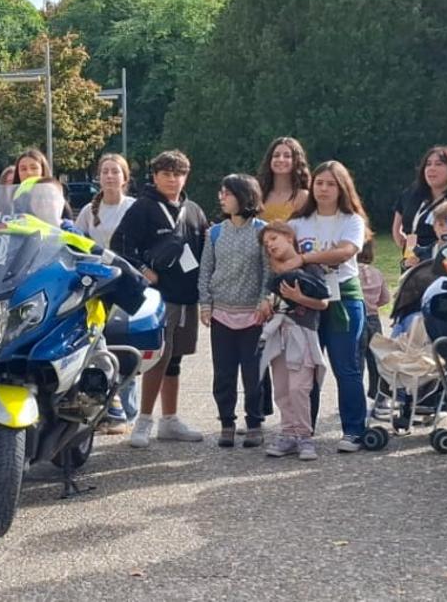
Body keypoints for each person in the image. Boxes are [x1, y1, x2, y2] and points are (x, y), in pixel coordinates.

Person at [111, 150, 208, 448]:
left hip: (186, 295)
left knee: (175, 358)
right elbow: (119, 246)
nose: (172, 179)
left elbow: (205, 251)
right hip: (156, 298)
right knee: (156, 359)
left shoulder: (193, 210)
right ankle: (143, 420)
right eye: (166, 173)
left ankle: (170, 420)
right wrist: (142, 270)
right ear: (154, 177)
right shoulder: (143, 208)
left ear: (186, 176)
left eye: (178, 173)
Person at [286, 161, 370, 453]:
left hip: (344, 298)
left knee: (346, 367)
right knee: (306, 368)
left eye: (331, 184)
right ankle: (302, 429)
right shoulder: (298, 222)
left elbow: (346, 251)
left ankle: (354, 430)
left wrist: (305, 259)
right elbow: (279, 247)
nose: (323, 189)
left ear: (342, 188)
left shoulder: (352, 220)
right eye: (319, 183)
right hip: (306, 300)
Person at [198, 174, 270, 448]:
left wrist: (265, 300)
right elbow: (206, 271)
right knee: (224, 373)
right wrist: (206, 304)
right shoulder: (214, 232)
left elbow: (268, 271)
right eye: (221, 192)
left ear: (244, 196)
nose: (221, 197)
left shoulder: (262, 231)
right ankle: (226, 422)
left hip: (253, 315)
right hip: (221, 315)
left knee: (254, 375)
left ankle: (255, 423)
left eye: (227, 193)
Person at [75, 154, 138, 435]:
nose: (110, 176)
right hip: (96, 286)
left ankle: (128, 409)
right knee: (96, 343)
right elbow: (76, 243)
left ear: (125, 177)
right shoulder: (89, 211)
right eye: (105, 172)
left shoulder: (134, 208)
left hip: (124, 281)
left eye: (115, 171)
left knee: (124, 343)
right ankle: (102, 408)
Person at [257, 222, 329, 461]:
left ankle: (304, 436)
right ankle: (288, 433)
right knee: (282, 388)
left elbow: (323, 302)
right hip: (280, 335)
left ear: (289, 237)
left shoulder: (310, 266)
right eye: (267, 244)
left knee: (300, 387)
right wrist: (267, 303)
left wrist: (299, 297)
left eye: (274, 239)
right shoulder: (274, 271)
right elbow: (270, 296)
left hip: (303, 333)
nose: (270, 246)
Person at [392, 146, 447, 271]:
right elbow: (400, 214)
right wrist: (398, 234)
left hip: (446, 264)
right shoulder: (414, 193)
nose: (431, 168)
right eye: (428, 164)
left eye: (439, 164)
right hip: (413, 261)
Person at [357, 239, 391, 416]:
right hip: (374, 318)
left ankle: (356, 398)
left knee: (357, 359)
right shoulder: (377, 272)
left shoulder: (350, 273)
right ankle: (380, 397)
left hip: (357, 317)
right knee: (376, 359)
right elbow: (386, 298)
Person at [257, 137, 311, 222]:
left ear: (296, 161)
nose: (281, 159)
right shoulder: (258, 194)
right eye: (276, 155)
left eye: (287, 156)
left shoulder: (303, 197)